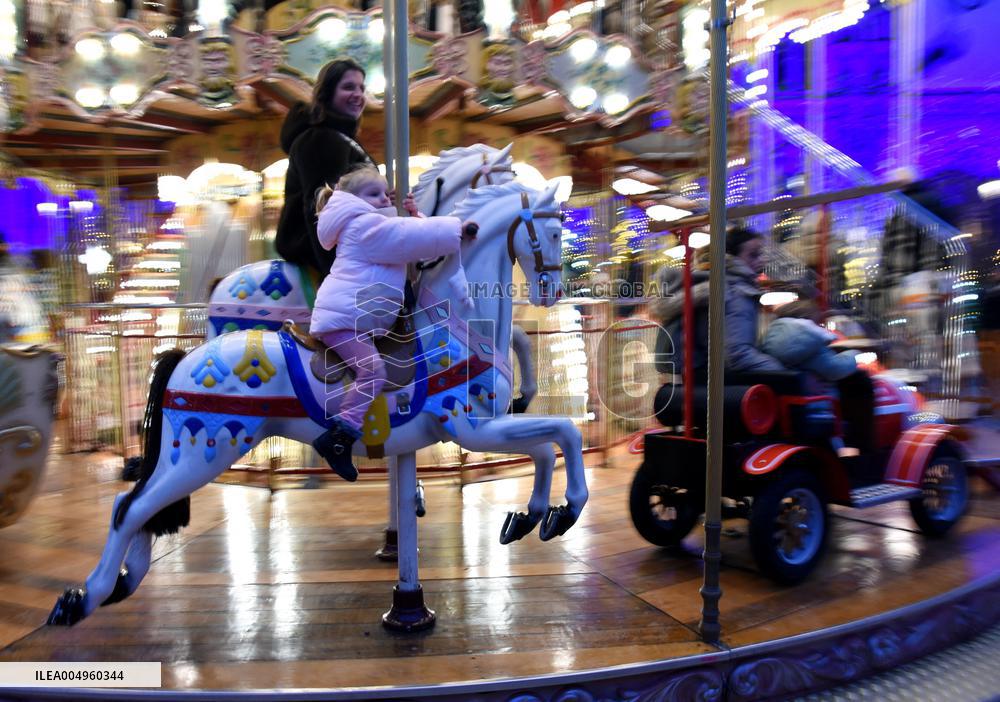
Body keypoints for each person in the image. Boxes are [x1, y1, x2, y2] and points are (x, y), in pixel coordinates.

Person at [308, 166, 478, 480]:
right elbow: (405, 238)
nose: (384, 199)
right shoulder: (364, 225)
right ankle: (339, 438)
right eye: (374, 194)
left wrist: (414, 214)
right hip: (342, 319)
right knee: (373, 371)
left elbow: (407, 237)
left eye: (385, 194)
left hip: (353, 317)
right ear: (353, 199)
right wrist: (457, 228)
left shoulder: (368, 223)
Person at [276, 57, 376, 279]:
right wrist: (336, 272)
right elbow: (321, 205)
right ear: (327, 93)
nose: (358, 94)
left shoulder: (342, 139)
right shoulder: (320, 140)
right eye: (348, 87)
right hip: (326, 253)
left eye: (361, 88)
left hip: (350, 245)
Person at [724, 226, 785, 372]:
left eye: (760, 254)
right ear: (733, 258)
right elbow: (737, 354)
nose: (761, 260)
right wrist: (782, 373)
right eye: (753, 255)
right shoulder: (737, 294)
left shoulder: (728, 287)